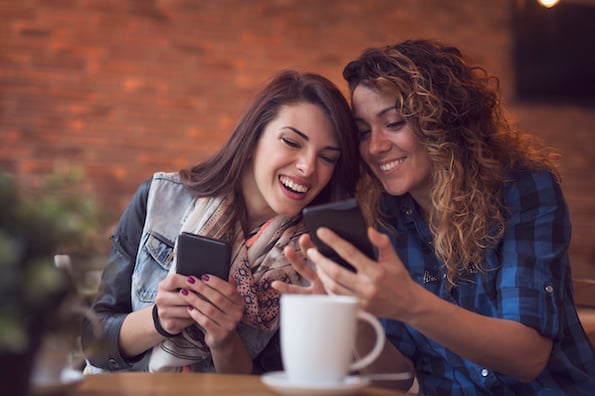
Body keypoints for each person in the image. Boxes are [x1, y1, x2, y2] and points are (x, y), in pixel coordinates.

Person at [273, 40, 595, 394]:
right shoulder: (386, 214)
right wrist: (348, 315)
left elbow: (527, 357)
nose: (376, 146)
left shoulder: (523, 188)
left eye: (394, 122)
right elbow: (393, 380)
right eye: (364, 132)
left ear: (443, 120)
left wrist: (411, 304)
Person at [81, 70, 360, 374]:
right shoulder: (160, 198)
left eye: (328, 158)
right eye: (292, 142)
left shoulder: (312, 259)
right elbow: (93, 340)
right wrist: (159, 320)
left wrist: (225, 339)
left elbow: (275, 384)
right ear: (253, 139)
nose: (308, 167)